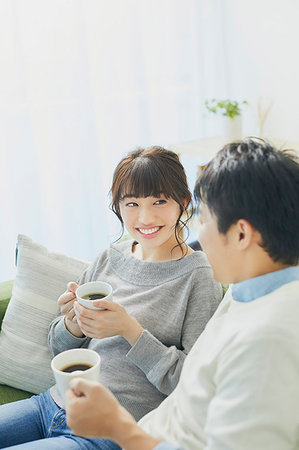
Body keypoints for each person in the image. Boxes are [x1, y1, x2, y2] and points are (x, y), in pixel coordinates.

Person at [65, 138, 299, 450]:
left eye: (204, 219)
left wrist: (120, 428)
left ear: (241, 234)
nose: (199, 236)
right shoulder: (248, 287)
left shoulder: (268, 340)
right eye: (132, 204)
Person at [0, 146, 222, 449]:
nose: (145, 217)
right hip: (52, 404)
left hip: (108, 429)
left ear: (183, 203)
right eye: (132, 203)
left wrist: (129, 330)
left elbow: (193, 381)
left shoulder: (199, 276)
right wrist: (72, 321)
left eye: (159, 200)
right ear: (118, 206)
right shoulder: (108, 258)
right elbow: (58, 348)